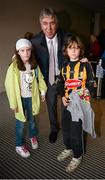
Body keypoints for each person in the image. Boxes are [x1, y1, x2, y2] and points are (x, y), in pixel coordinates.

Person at [31, 8, 88, 143]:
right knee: (51, 107)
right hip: (48, 80)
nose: (49, 28)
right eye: (45, 23)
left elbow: (77, 49)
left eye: (52, 23)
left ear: (57, 23)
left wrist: (82, 59)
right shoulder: (35, 41)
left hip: (65, 79)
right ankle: (54, 129)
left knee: (66, 106)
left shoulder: (67, 37)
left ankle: (67, 128)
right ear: (41, 24)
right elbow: (29, 58)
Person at [57, 34, 95, 173]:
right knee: (66, 128)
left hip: (79, 106)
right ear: (66, 50)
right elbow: (59, 82)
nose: (73, 51)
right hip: (66, 104)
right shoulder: (64, 66)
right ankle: (68, 148)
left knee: (76, 130)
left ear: (81, 50)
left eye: (76, 48)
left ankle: (77, 155)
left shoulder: (86, 66)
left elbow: (91, 84)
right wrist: (62, 96)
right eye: (70, 48)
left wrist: (83, 96)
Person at [5, 38, 47, 158]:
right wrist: (13, 103)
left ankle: (32, 136)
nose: (26, 53)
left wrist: (42, 92)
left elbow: (40, 79)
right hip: (20, 100)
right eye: (22, 50)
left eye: (28, 50)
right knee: (20, 123)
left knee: (32, 120)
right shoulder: (13, 68)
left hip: (31, 98)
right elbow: (9, 86)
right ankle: (19, 145)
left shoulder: (33, 66)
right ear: (18, 52)